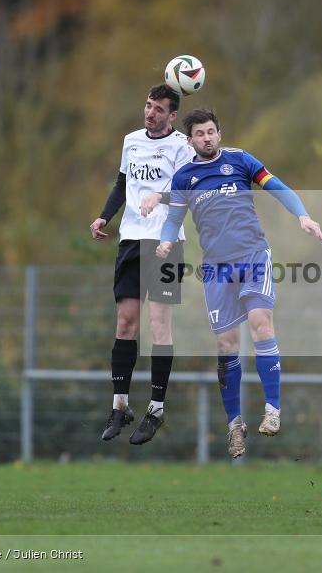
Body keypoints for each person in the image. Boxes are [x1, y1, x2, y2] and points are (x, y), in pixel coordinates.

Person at [156, 108, 322, 458]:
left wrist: (302, 216)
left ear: (219, 133)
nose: (207, 138)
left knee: (262, 325)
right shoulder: (185, 177)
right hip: (216, 268)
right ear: (191, 141)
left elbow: (277, 187)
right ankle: (235, 426)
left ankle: (273, 410)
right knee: (226, 345)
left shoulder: (241, 161)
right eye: (200, 134)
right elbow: (173, 218)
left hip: (253, 257)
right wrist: (166, 240)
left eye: (211, 131)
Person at [89, 84, 193, 445]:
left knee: (158, 325)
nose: (150, 113)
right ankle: (120, 405)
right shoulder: (131, 140)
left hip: (166, 243)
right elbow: (122, 183)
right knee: (125, 323)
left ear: (172, 115)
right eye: (148, 106)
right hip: (131, 241)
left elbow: (186, 193)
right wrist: (105, 217)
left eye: (158, 109)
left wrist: (159, 198)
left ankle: (157, 408)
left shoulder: (182, 147)